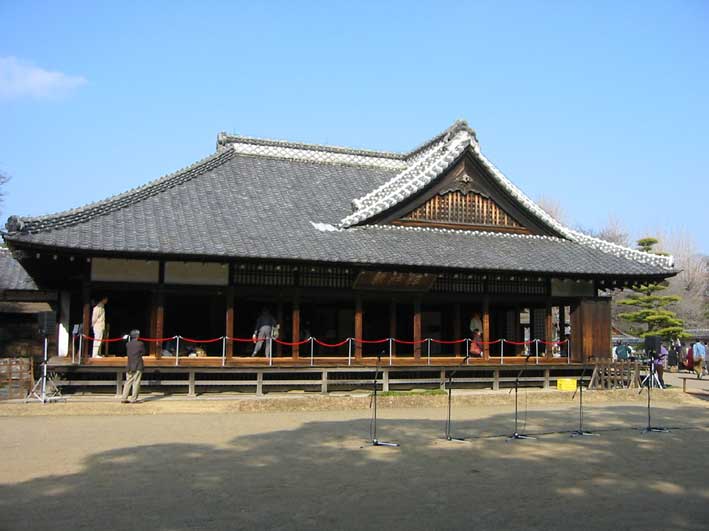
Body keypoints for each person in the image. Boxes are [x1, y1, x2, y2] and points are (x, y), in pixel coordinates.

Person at [121, 329, 145, 403]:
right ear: (137, 336)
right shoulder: (140, 344)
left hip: (129, 365)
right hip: (138, 364)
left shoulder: (128, 344)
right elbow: (143, 352)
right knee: (136, 382)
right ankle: (133, 399)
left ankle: (124, 398)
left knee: (128, 381)